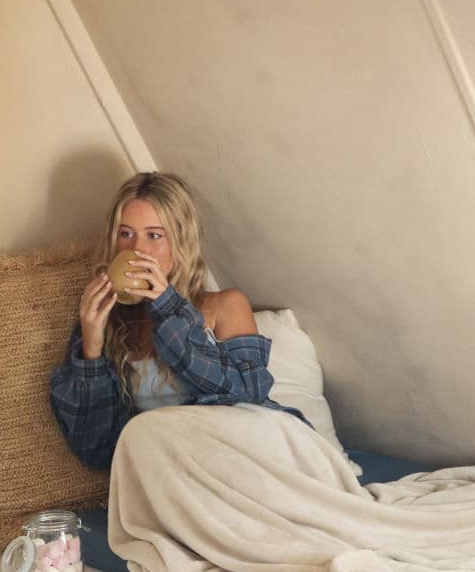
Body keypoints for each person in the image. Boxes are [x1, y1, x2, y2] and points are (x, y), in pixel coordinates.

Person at [50, 172, 305, 469]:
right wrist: (91, 347)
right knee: (141, 435)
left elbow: (248, 396)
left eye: (154, 235)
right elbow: (96, 450)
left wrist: (167, 307)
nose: (137, 250)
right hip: (182, 467)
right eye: (125, 234)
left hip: (250, 452)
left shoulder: (226, 306)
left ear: (181, 242)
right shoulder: (104, 322)